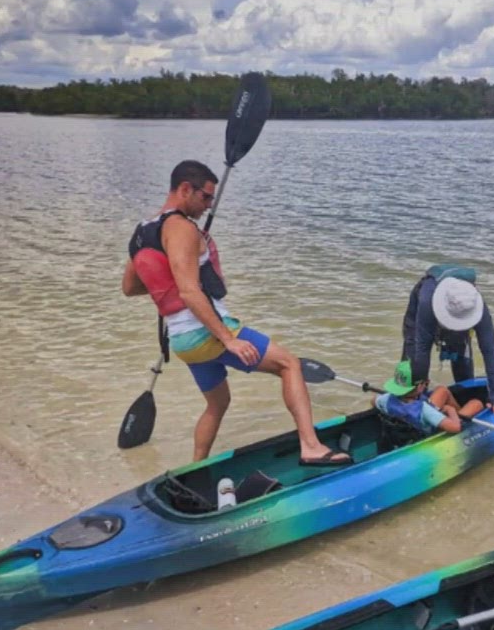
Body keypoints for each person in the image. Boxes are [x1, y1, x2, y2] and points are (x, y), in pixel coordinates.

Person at [122, 160, 352, 466]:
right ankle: (310, 446)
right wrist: (228, 339)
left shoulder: (142, 232)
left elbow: (131, 287)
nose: (208, 205)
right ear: (185, 189)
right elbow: (191, 292)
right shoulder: (180, 228)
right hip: (207, 334)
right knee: (289, 365)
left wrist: (171, 283)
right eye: (205, 197)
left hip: (182, 342)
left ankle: (195, 467)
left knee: (218, 404)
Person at [400, 264, 494, 418]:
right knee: (411, 363)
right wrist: (419, 392)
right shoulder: (427, 300)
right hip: (421, 309)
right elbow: (422, 348)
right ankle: (406, 402)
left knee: (461, 360)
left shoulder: (476, 307)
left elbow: (490, 351)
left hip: (459, 308)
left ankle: (462, 406)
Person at [373, 359, 485, 436]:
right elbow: (455, 428)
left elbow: (373, 401)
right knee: (476, 403)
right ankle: (459, 414)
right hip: (431, 425)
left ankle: (455, 411)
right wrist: (450, 410)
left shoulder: (386, 399)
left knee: (442, 390)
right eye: (425, 383)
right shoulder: (425, 410)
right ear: (420, 387)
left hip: (410, 423)